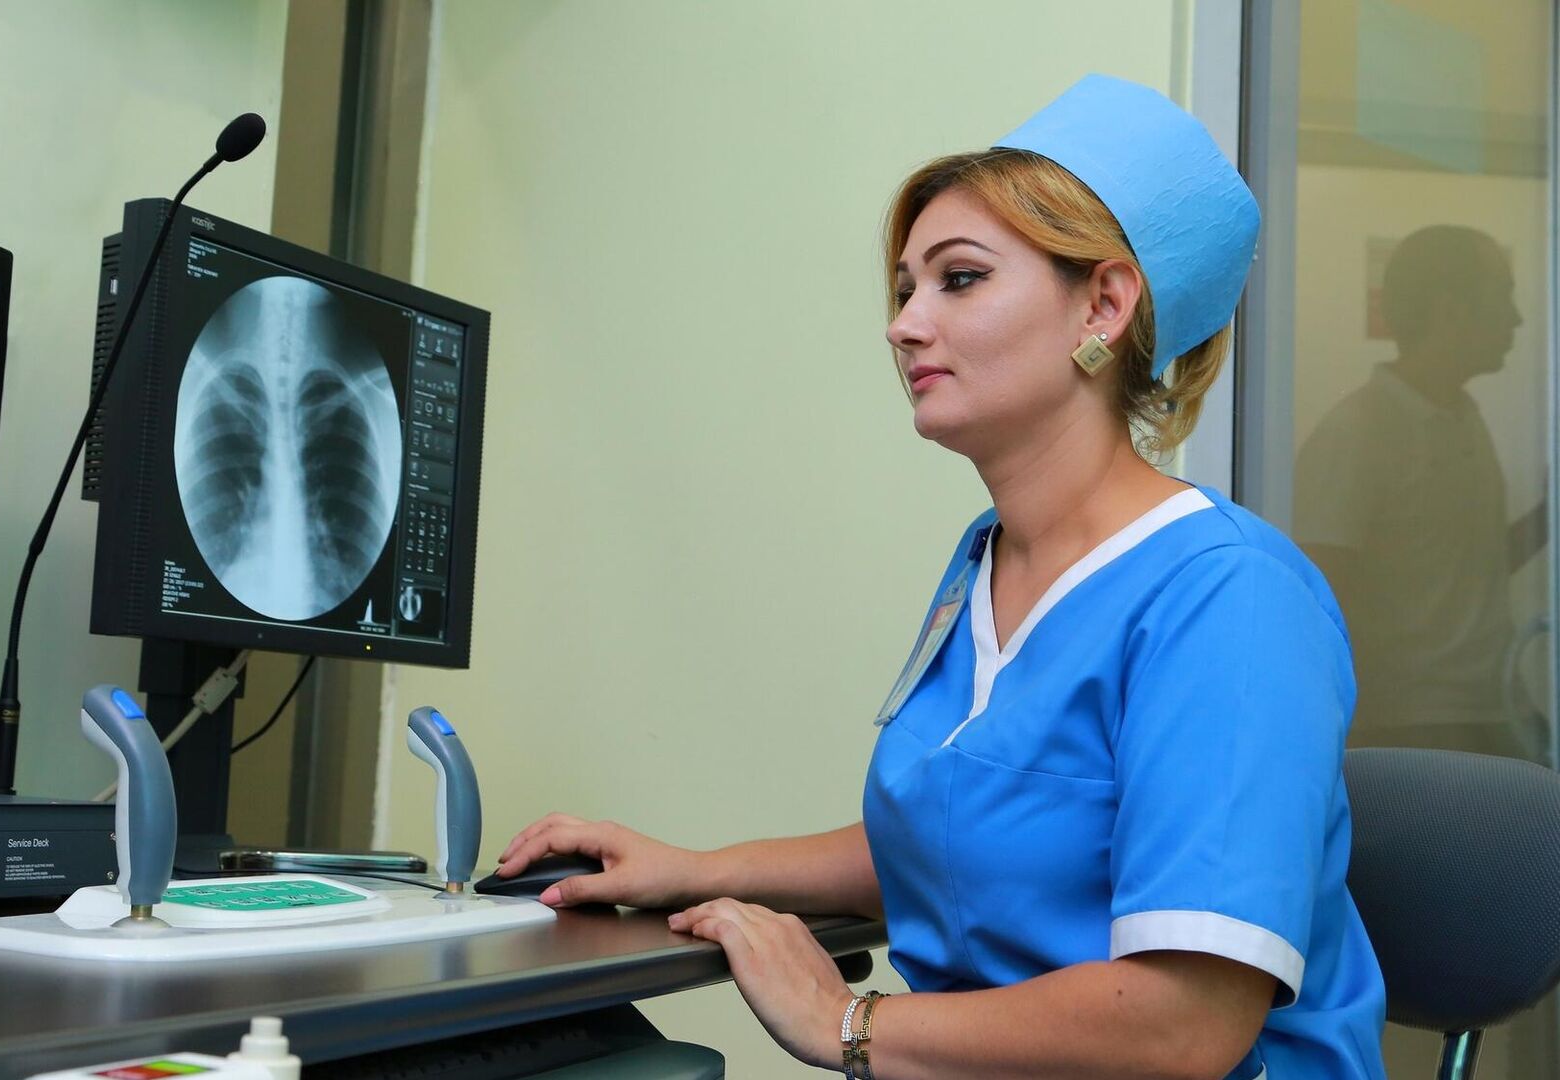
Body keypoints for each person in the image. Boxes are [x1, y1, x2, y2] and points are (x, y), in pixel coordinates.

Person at [493, 75, 1386, 1079]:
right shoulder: (986, 559)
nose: (905, 325)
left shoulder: (1229, 600)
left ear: (1102, 303)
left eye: (958, 279)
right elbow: (963, 844)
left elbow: (1181, 1025)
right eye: (905, 289)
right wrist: (690, 870)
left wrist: (846, 1022)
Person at [1296, 224, 1548, 762]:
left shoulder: (1462, 415)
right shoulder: (1359, 431)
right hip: (1413, 722)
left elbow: (1461, 570)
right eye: (1502, 295)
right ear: (1452, 309)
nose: (1517, 318)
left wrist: (1547, 517)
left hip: (1491, 706)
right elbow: (1323, 595)